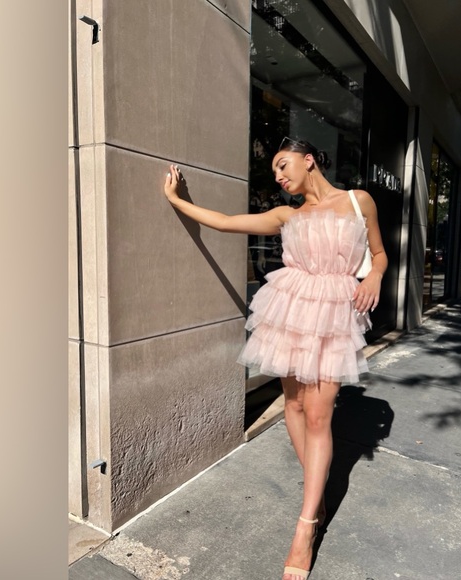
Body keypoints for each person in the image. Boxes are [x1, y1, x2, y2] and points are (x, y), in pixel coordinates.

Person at [162, 138, 388, 580]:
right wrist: (176, 200)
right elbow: (226, 222)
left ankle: (305, 527)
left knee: (320, 415)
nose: (280, 176)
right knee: (295, 407)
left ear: (309, 159)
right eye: (275, 172)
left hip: (334, 315)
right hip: (290, 312)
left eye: (284, 165)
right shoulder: (288, 215)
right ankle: (316, 498)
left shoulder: (358, 201)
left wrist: (375, 277)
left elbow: (378, 254)